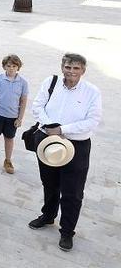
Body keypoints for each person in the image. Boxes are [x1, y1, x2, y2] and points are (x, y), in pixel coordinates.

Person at [28, 53, 102, 252]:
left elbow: (92, 121)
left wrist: (62, 130)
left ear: (83, 71)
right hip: (47, 140)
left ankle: (67, 231)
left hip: (75, 146)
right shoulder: (50, 82)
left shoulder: (91, 92)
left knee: (72, 191)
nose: (71, 71)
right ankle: (48, 215)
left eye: (76, 68)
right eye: (68, 67)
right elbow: (37, 106)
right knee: (49, 183)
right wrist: (50, 126)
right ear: (62, 67)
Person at [0, 54, 28, 174]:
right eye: (8, 66)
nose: (11, 68)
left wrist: (20, 118)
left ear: (18, 67)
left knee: (9, 139)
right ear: (4, 66)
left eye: (14, 66)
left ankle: (8, 160)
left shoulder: (23, 83)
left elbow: (23, 100)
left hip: (12, 117)